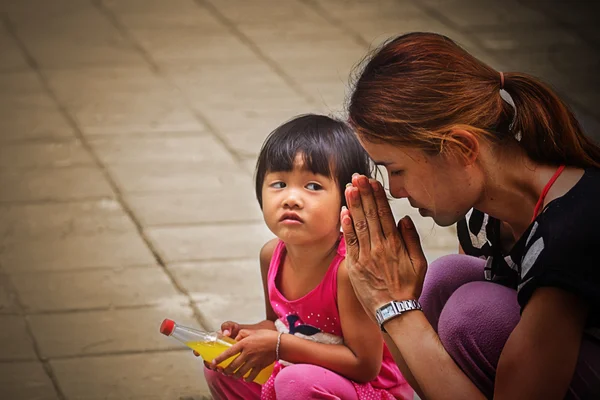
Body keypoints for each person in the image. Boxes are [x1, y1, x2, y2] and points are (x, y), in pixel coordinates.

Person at [340, 32, 600, 399]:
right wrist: (384, 306)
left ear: (461, 148)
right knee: (445, 280)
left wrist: (393, 306)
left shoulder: (571, 229)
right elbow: (435, 381)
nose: (395, 190)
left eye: (396, 169)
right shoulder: (482, 219)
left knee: (473, 313)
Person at [202, 114, 413, 400]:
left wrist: (278, 346)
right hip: (305, 372)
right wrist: (244, 335)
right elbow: (280, 324)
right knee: (223, 365)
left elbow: (365, 365)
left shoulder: (348, 271)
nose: (291, 198)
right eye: (278, 184)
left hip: (371, 390)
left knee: (296, 382)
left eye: (313, 186)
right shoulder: (271, 255)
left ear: (346, 199)